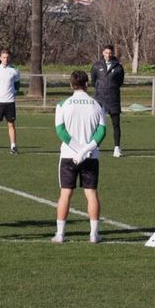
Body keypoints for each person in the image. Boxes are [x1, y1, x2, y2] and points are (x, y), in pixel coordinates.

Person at [53, 69, 107, 243]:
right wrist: (85, 150)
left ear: (71, 84)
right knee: (91, 193)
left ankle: (60, 234)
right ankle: (93, 234)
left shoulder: (62, 104)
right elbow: (102, 131)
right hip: (91, 156)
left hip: (69, 156)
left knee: (65, 193)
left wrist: (78, 150)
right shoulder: (97, 104)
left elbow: (61, 131)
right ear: (87, 84)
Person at [90, 44, 125, 157]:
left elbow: (120, 82)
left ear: (112, 53)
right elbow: (93, 80)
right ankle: (95, 147)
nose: (108, 55)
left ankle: (117, 148)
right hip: (100, 99)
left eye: (110, 53)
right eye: (106, 53)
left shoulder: (118, 67)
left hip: (113, 99)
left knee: (116, 124)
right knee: (97, 124)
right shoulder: (96, 66)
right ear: (102, 53)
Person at [0, 49, 22, 155]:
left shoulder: (15, 70)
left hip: (10, 102)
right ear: (0, 58)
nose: (6, 59)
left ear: (10, 58)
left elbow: (17, 86)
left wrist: (11, 94)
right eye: (4, 57)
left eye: (7, 57)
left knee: (11, 124)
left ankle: (13, 146)